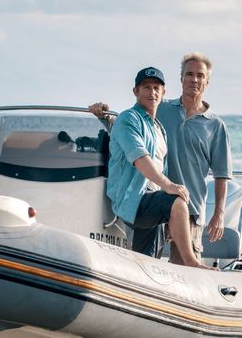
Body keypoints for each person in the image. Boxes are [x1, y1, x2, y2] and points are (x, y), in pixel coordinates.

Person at [91, 53, 232, 265]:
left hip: (189, 206)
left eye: (200, 76)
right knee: (150, 262)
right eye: (189, 74)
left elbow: (222, 175)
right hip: (154, 197)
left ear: (207, 81)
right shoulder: (160, 109)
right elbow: (130, 127)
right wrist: (104, 115)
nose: (194, 79)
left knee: (183, 268)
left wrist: (218, 214)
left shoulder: (215, 126)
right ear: (181, 79)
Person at [106, 66, 211, 269]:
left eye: (156, 88)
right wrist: (169, 186)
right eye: (146, 87)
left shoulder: (158, 129)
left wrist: (164, 190)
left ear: (163, 93)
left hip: (151, 201)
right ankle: (191, 262)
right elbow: (139, 158)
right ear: (135, 91)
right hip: (134, 201)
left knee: (147, 264)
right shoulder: (129, 119)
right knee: (178, 202)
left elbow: (159, 167)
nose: (152, 92)